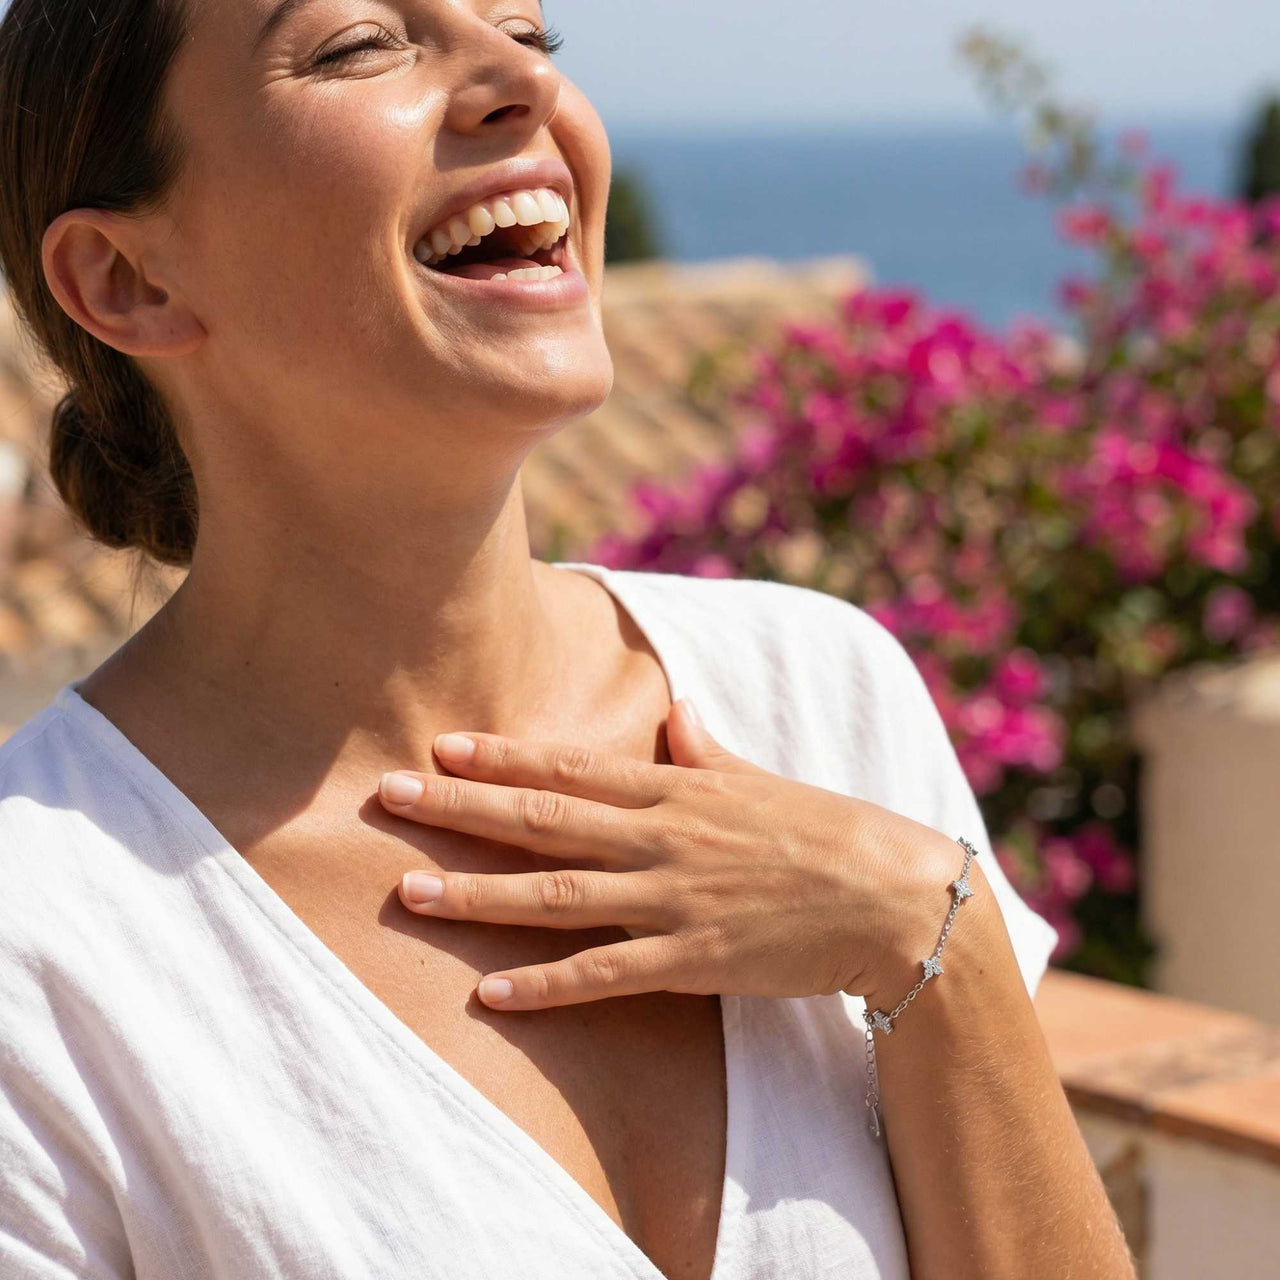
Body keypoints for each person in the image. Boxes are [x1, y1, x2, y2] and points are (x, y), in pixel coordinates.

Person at [0, 2, 1136, 1277]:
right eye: (358, 44)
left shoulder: (820, 691)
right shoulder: (39, 944)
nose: (515, 82)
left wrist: (936, 932)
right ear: (127, 279)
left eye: (528, 29)